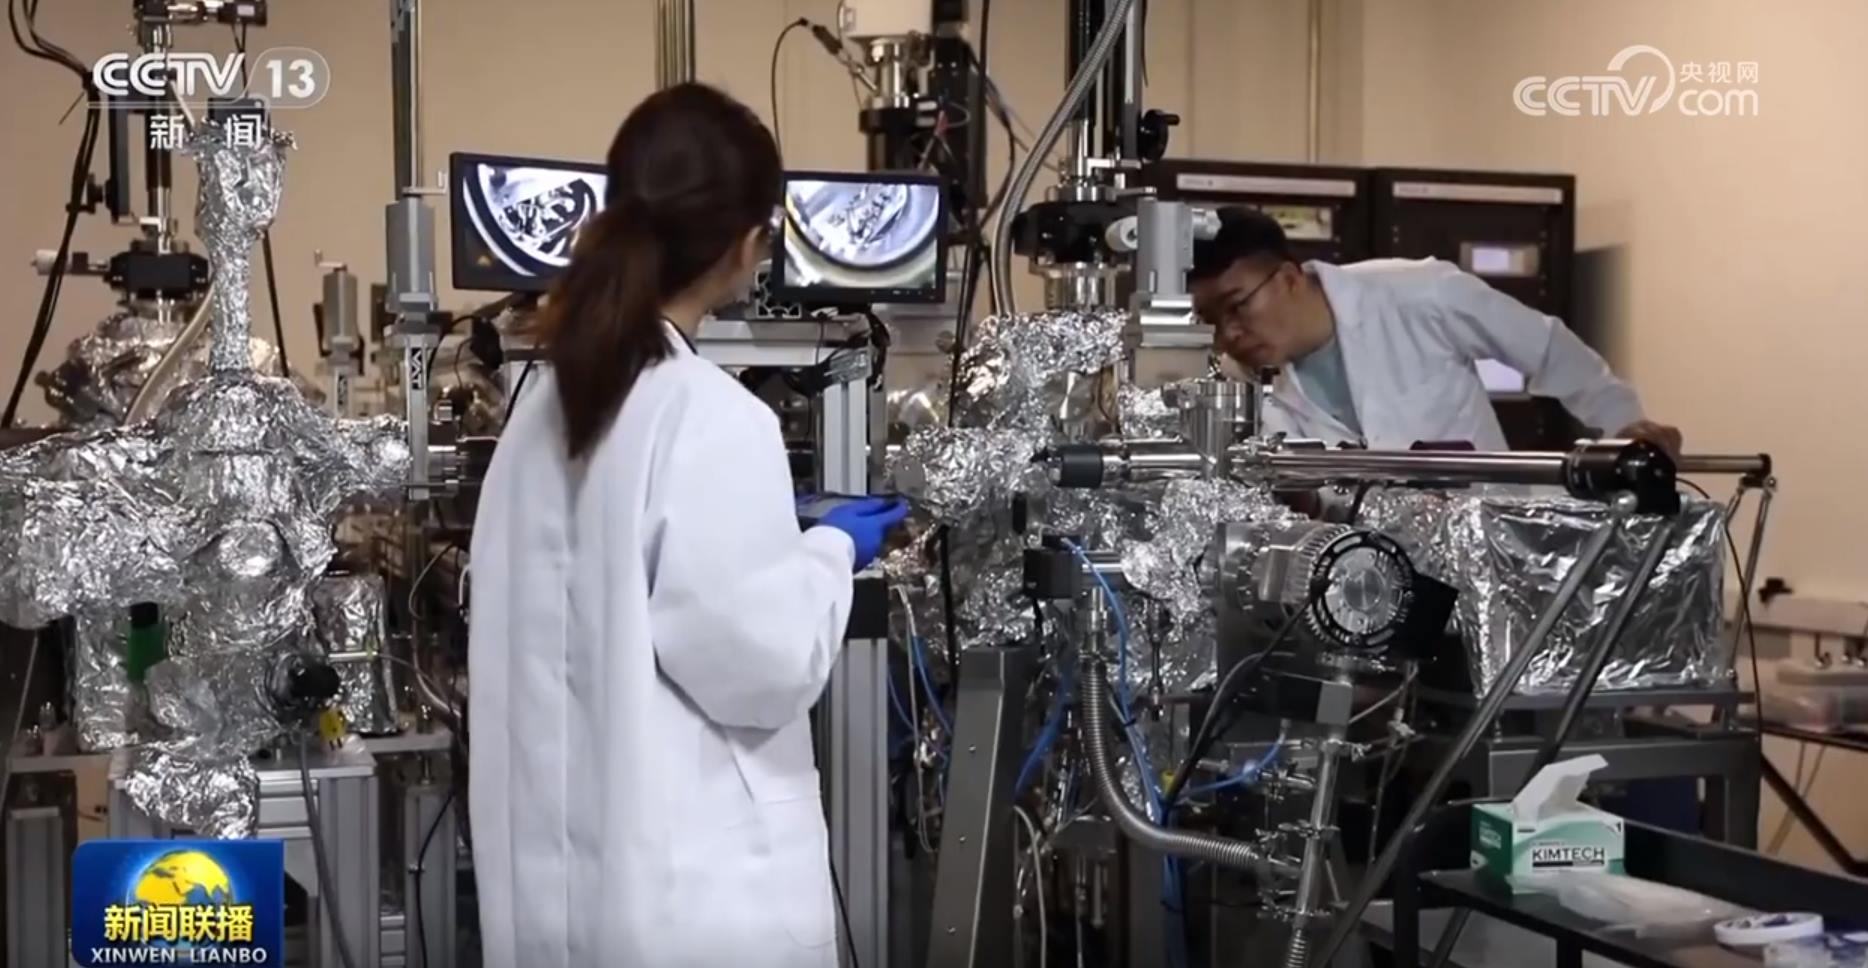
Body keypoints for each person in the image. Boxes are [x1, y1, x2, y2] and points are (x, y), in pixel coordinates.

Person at [467, 83, 909, 968]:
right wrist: (831, 549)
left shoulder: (540, 410)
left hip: (561, 896)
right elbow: (761, 667)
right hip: (694, 905)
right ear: (749, 244)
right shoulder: (710, 415)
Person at [1189, 206, 1682, 455]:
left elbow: (1547, 348)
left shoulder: (1419, 292)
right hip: (1369, 586)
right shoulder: (1243, 384)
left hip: (1491, 552)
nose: (1229, 334)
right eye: (1212, 321)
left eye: (1237, 306)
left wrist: (1624, 428)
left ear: (1288, 278)